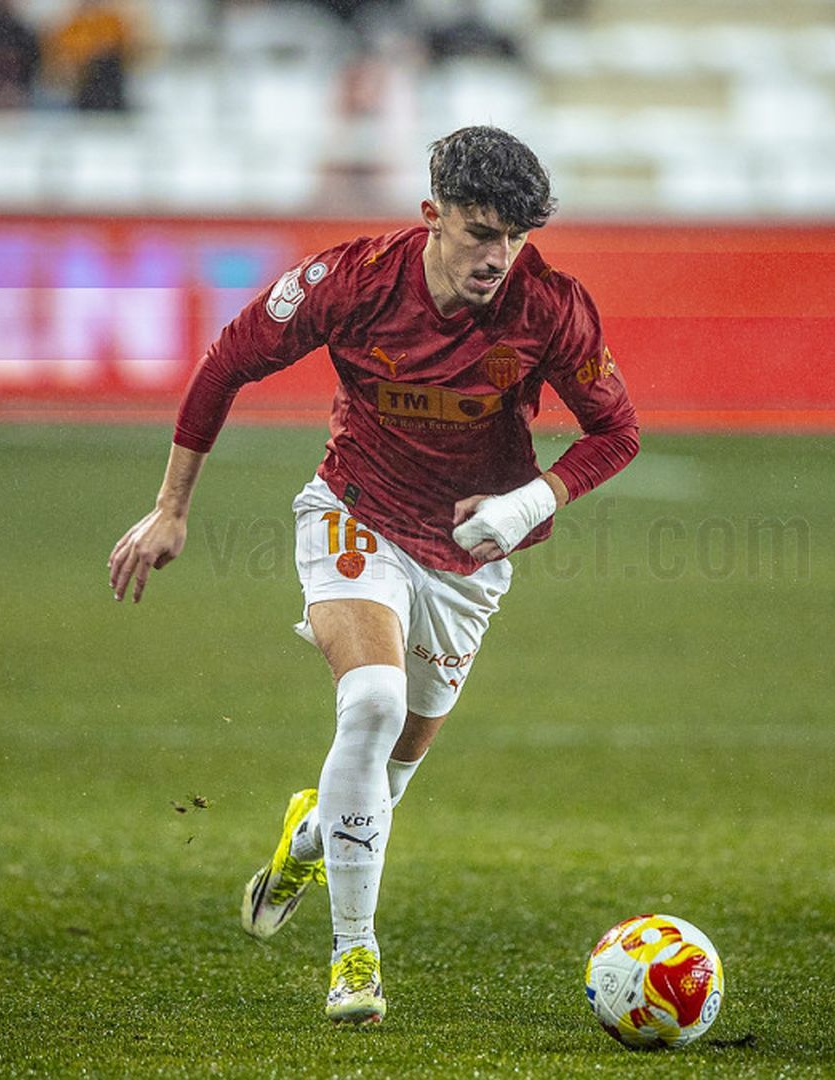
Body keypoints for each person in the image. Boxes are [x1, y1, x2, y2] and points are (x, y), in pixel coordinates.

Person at [107, 125, 640, 1025]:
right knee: (371, 705)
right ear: (432, 216)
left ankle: (310, 837)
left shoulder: (550, 306)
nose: (497, 256)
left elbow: (617, 433)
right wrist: (172, 507)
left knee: (384, 781)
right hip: (355, 511)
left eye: (514, 237)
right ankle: (355, 958)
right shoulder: (351, 281)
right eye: (479, 231)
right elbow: (228, 359)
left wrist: (529, 503)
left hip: (470, 558)